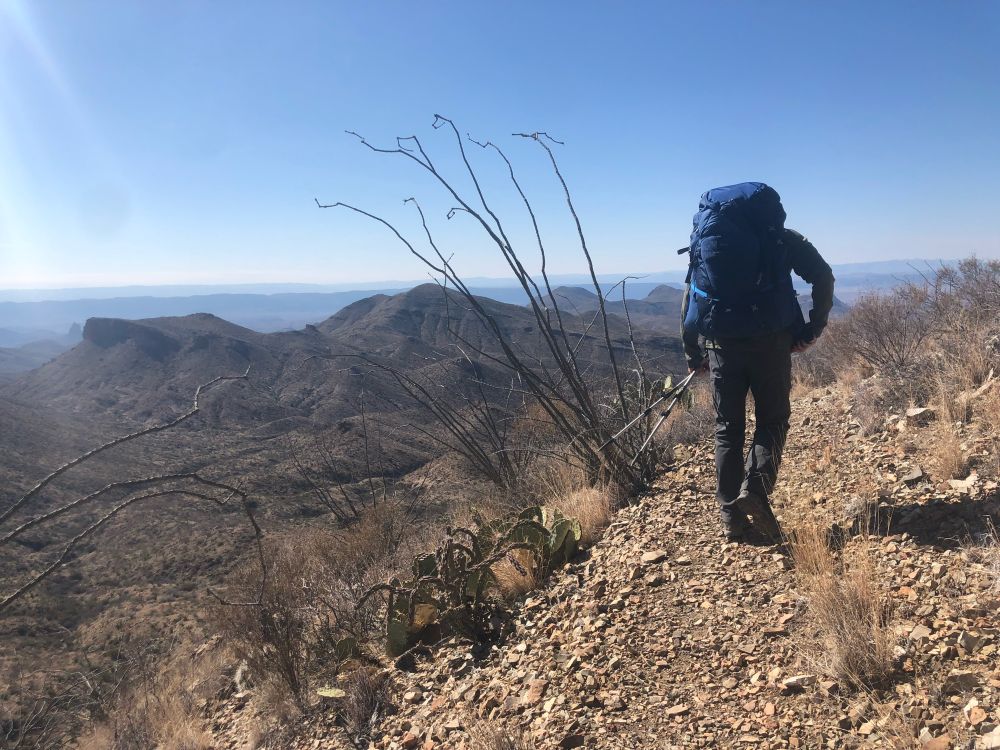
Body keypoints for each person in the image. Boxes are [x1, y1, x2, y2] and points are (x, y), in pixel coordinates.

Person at [679, 183, 835, 542]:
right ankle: (757, 491)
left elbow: (691, 296)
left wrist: (693, 353)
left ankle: (730, 516)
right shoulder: (781, 237)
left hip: (721, 345)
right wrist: (814, 327)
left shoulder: (706, 239)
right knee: (773, 419)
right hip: (772, 343)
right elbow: (823, 276)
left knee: (727, 427)